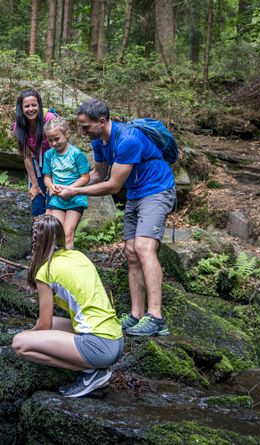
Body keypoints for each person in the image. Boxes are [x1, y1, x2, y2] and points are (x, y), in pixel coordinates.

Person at [58, 99, 176, 337]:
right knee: (131, 253)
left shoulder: (128, 139)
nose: (81, 132)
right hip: (136, 194)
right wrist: (67, 186)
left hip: (157, 191)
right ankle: (136, 315)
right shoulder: (100, 141)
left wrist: (77, 192)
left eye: (85, 126)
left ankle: (156, 317)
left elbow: (112, 185)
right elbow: (99, 173)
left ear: (101, 122)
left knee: (144, 247)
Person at [12, 215, 124, 398]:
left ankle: (92, 372)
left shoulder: (45, 272)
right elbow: (48, 323)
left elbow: (44, 326)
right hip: (116, 340)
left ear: (36, 243)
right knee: (53, 322)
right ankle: (94, 367)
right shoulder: (77, 256)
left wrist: (29, 334)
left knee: (20, 343)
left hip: (99, 347)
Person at [42, 116, 90, 249]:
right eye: (50, 140)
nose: (54, 143)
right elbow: (47, 178)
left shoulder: (77, 154)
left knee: (68, 234)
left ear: (67, 134)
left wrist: (70, 189)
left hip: (75, 198)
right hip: (58, 198)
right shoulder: (49, 155)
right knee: (57, 233)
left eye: (57, 139)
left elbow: (85, 178)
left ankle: (69, 266)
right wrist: (51, 186)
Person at [12, 90, 56, 216]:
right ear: (21, 108)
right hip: (37, 167)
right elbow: (26, 156)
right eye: (27, 106)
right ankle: (38, 233)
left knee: (53, 203)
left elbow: (63, 145)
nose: (31, 109)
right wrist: (34, 184)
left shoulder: (49, 119)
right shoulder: (19, 126)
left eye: (34, 105)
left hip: (56, 165)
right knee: (37, 204)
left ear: (39, 106)